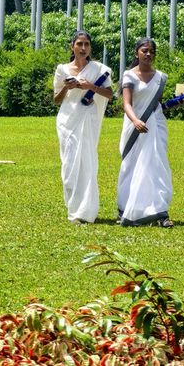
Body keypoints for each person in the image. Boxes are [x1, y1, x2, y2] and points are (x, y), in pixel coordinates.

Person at [53, 30, 113, 224]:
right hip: (67, 121)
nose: (83, 48)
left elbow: (110, 94)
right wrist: (66, 87)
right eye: (79, 44)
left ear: (90, 48)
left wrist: (89, 86)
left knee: (87, 162)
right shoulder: (62, 69)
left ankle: (86, 211)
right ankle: (73, 209)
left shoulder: (99, 69)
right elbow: (56, 100)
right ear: (72, 46)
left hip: (88, 118)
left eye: (86, 44)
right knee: (69, 165)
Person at [117, 37, 173, 227]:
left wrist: (175, 104)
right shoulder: (129, 75)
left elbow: (156, 105)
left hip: (155, 126)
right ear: (137, 53)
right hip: (134, 126)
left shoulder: (160, 77)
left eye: (151, 51)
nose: (148, 54)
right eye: (145, 51)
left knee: (156, 166)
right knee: (130, 166)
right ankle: (124, 208)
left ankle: (159, 212)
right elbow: (126, 103)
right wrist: (135, 121)